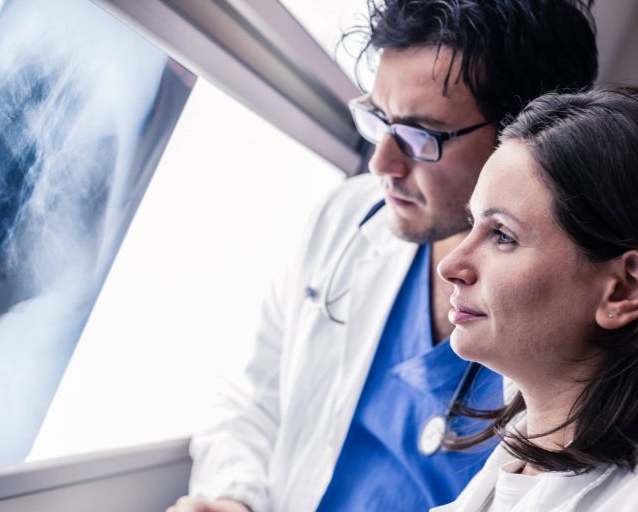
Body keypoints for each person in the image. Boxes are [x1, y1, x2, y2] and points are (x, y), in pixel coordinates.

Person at [169, 1, 598, 511]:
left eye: (420, 135)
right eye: (378, 119)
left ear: (530, 136)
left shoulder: (573, 329)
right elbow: (253, 397)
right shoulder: (348, 218)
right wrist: (233, 498)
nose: (381, 163)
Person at [434, 85, 638, 511]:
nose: (451, 265)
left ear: (623, 291)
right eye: (473, 223)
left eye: (502, 236)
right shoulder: (528, 449)